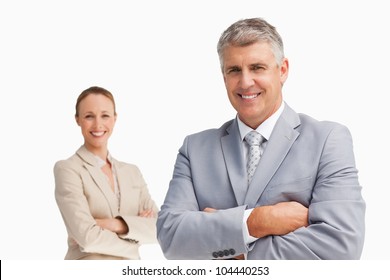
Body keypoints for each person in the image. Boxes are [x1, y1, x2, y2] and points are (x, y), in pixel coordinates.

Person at [157, 18, 365, 260]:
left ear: (283, 70)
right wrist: (259, 221)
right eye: (234, 70)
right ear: (223, 77)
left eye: (257, 68)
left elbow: (342, 246)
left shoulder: (328, 140)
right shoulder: (195, 149)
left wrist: (232, 249)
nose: (245, 82)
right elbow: (171, 238)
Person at [54, 86, 158, 260]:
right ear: (77, 119)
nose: (98, 125)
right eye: (89, 116)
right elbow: (88, 239)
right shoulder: (68, 169)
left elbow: (160, 229)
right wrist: (135, 242)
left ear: (115, 119)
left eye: (105, 115)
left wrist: (113, 224)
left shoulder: (132, 172)